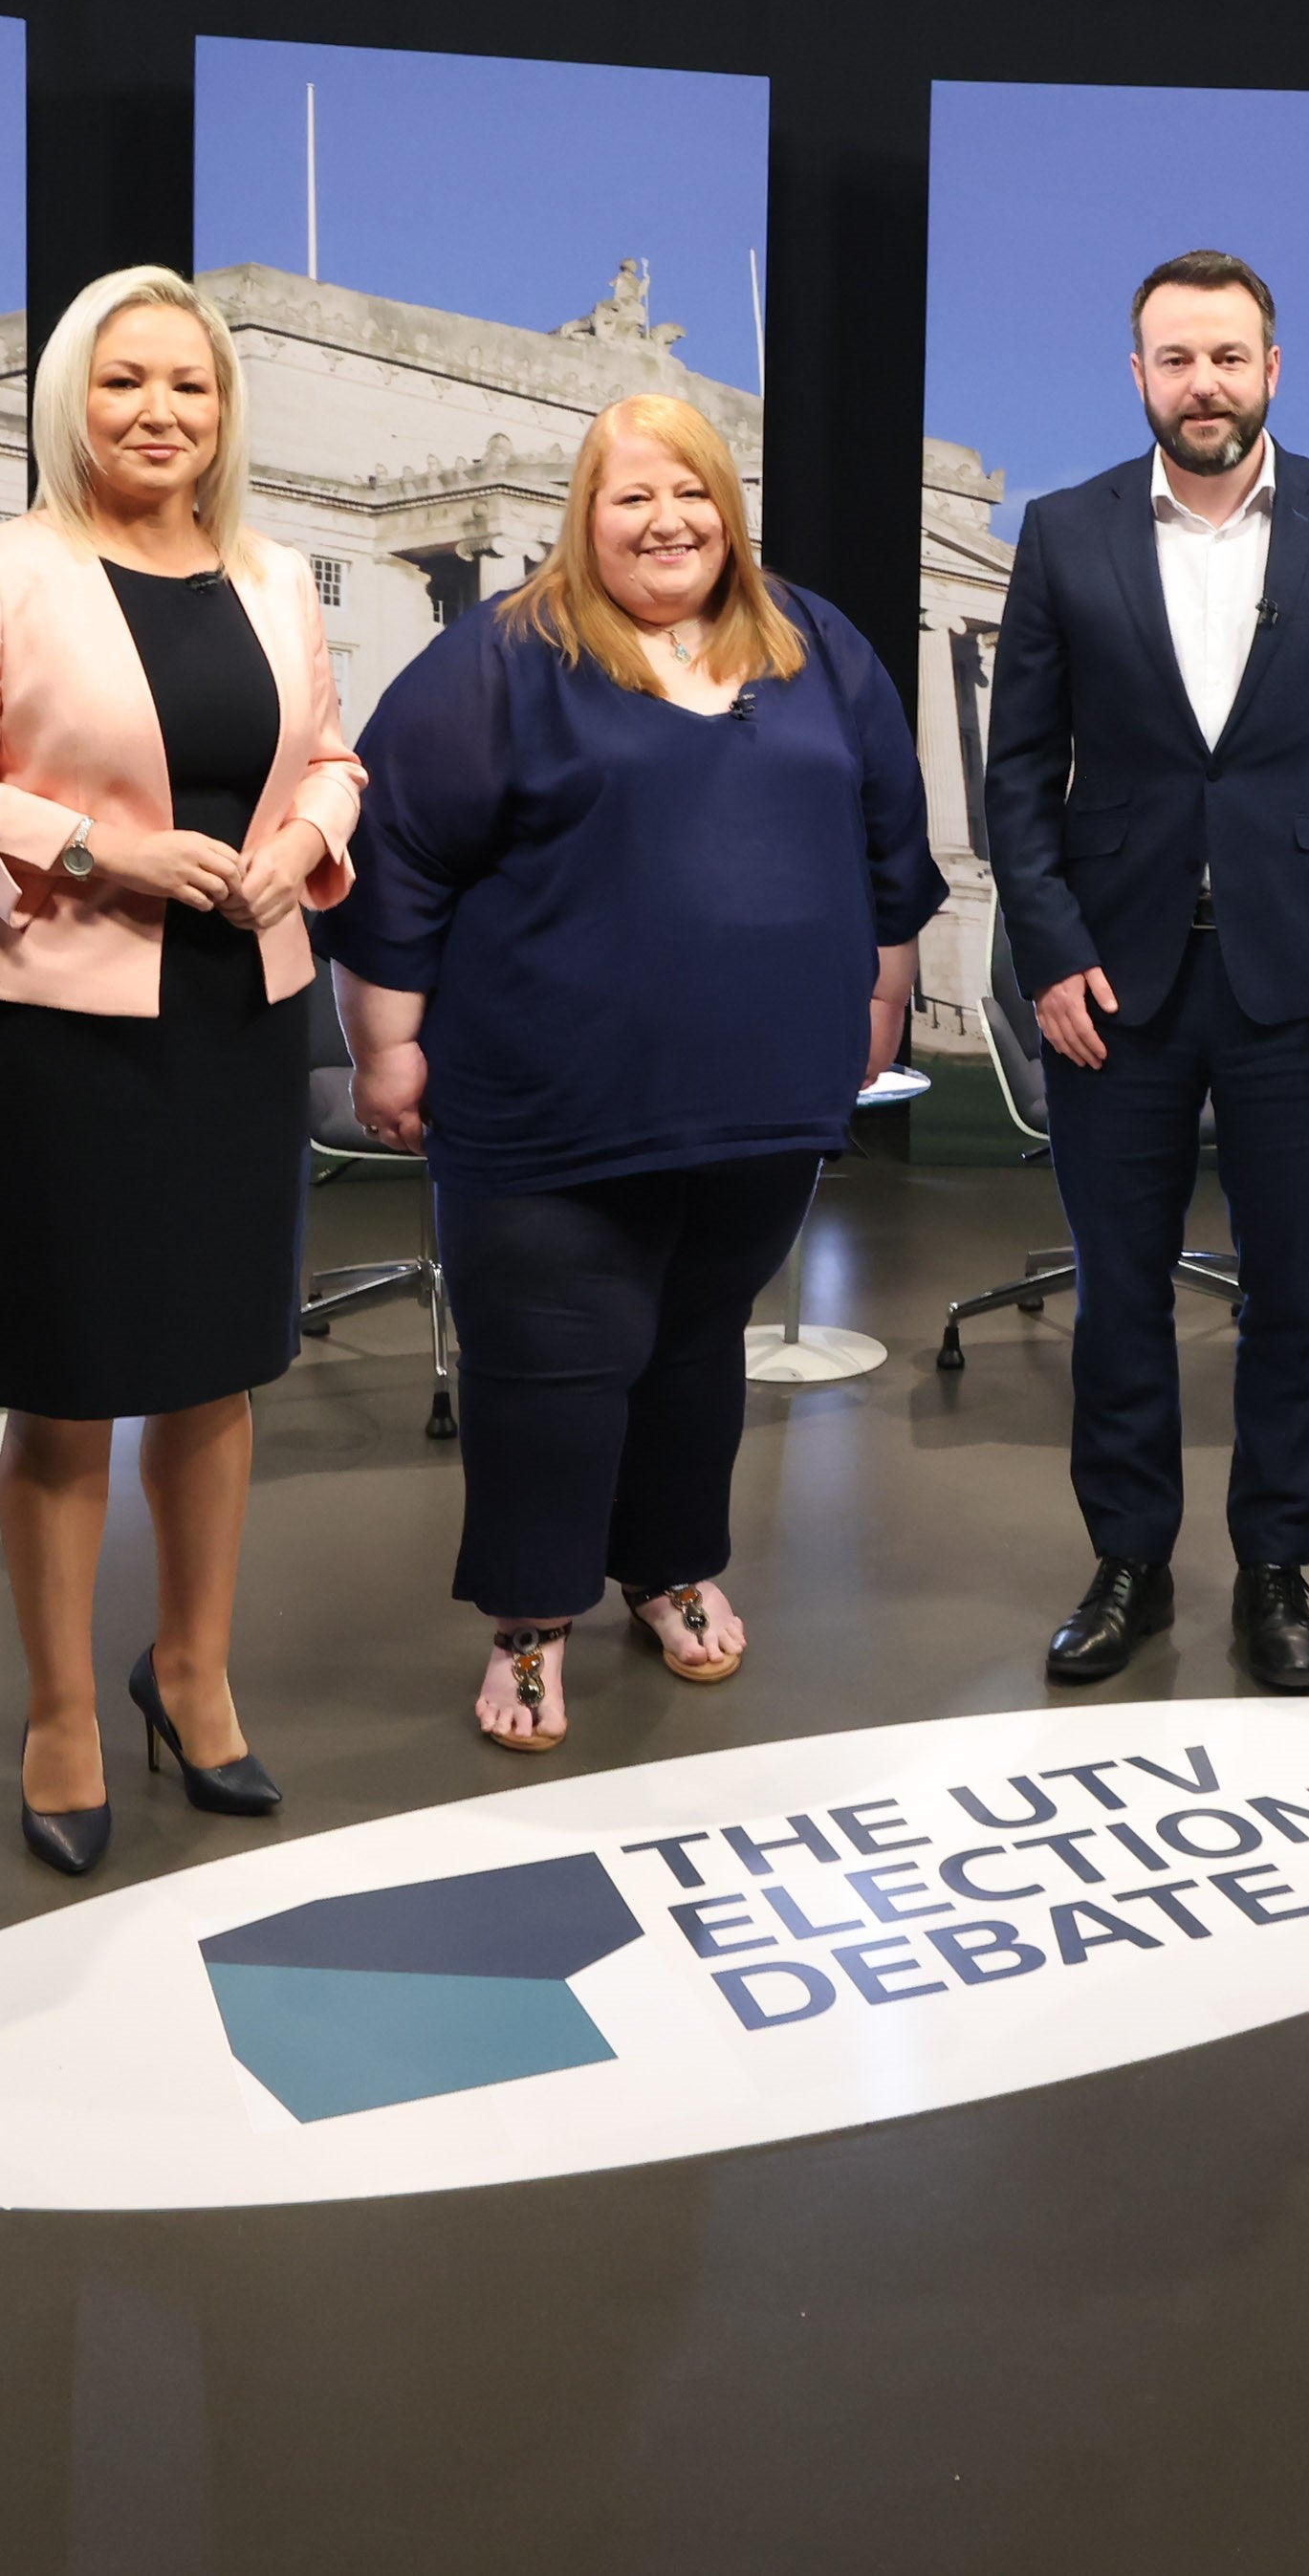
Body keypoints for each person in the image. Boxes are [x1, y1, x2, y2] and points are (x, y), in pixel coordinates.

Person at [332, 392, 946, 1753]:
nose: (667, 523)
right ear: (583, 517)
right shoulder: (500, 658)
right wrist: (385, 1043)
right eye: (631, 499)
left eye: (693, 496)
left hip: (764, 1091)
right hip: (547, 1095)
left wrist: (882, 999)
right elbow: (400, 860)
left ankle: (666, 1569)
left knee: (688, 1342)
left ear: (726, 510)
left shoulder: (814, 644)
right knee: (553, 1359)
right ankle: (531, 1621)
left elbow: (886, 841)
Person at [0, 266, 364, 1873]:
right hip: (63, 1019)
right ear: (69, 399)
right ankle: (62, 1710)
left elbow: (334, 760)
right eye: (124, 382)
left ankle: (192, 1676)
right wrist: (101, 850)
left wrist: (299, 841)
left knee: (220, 1362)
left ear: (224, 414)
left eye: (192, 387)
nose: (160, 412)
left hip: (241, 1008)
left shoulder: (278, 575)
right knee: (71, 1376)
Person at [977, 251, 1309, 1692]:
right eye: (1174, 360)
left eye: (1227, 357)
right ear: (1137, 378)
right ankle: (1129, 1564)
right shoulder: (1063, 533)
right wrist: (1047, 954)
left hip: (1304, 987)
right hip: (1110, 988)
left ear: (1271, 370)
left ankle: (1276, 1571)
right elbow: (1015, 777)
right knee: (1120, 1296)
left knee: (1290, 1297)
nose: (1203, 385)